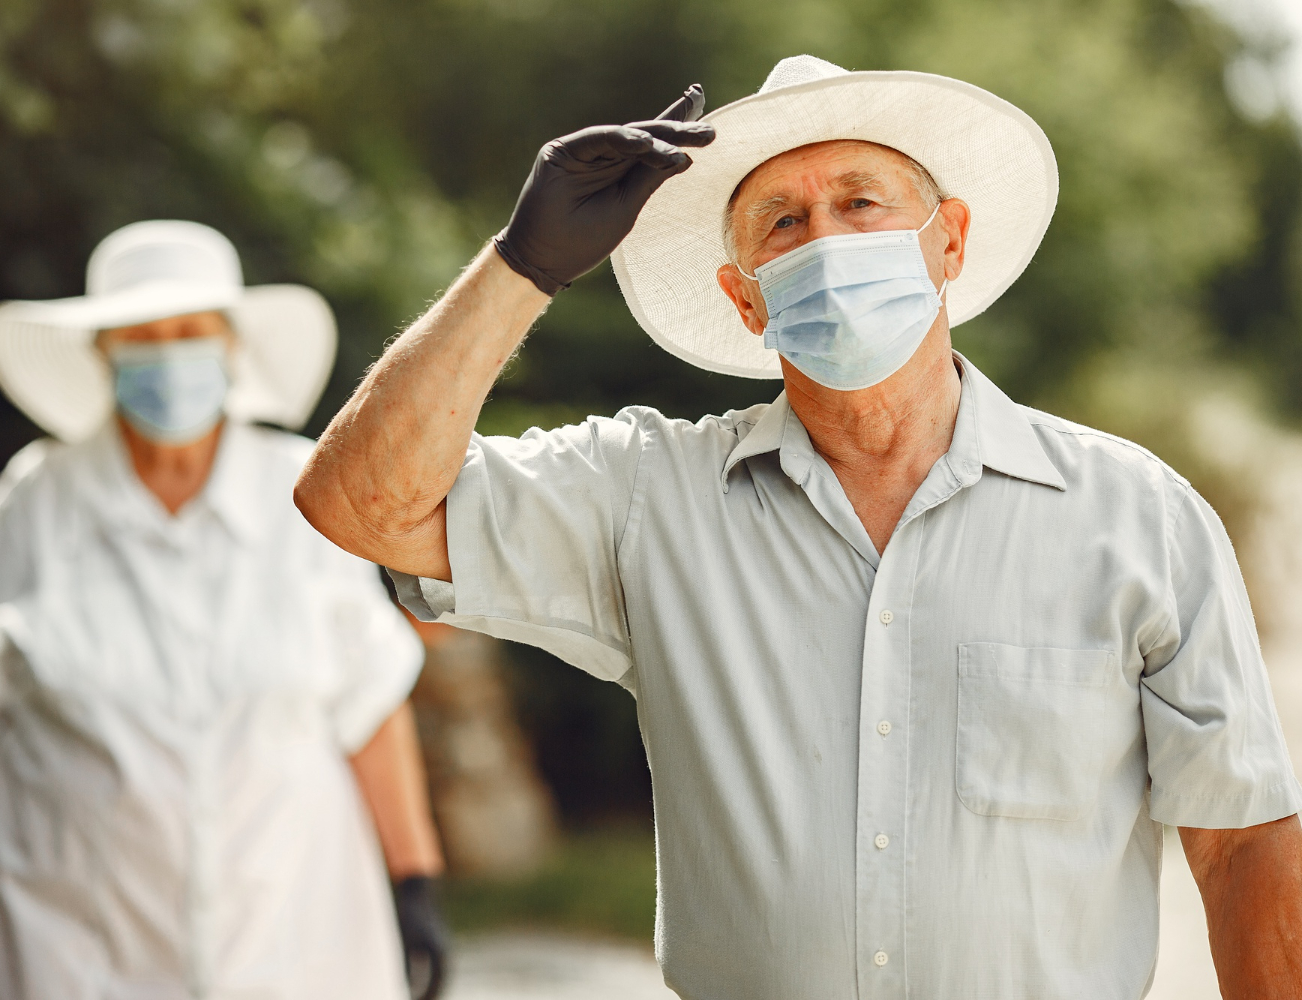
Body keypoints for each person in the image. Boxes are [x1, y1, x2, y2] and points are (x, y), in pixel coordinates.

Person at [295, 56, 1302, 998]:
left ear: (947, 239)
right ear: (745, 300)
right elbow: (358, 503)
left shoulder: (1135, 516)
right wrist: (523, 267)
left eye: (861, 203)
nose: (823, 238)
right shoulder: (651, 494)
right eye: (781, 223)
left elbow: (1244, 840)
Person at [0, 221, 450, 1000]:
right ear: (104, 354)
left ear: (232, 347)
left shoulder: (304, 493)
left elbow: (368, 700)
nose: (169, 355)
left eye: (189, 333)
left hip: (289, 935)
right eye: (144, 337)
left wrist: (415, 882)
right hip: (72, 942)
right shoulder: (41, 500)